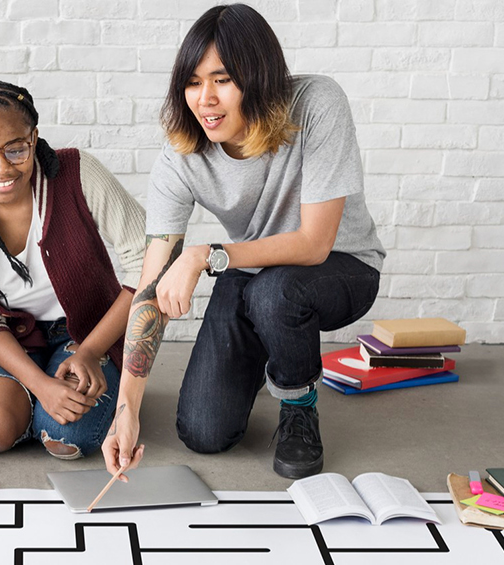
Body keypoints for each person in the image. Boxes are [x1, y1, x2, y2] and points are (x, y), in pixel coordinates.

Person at [101, 4, 385, 480]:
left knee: (277, 294)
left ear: (260, 77)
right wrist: (127, 408)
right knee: (204, 433)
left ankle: (299, 402)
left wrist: (205, 256)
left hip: (342, 267)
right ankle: (267, 353)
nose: (204, 99)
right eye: (193, 82)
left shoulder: (317, 104)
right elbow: (151, 284)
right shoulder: (180, 157)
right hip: (251, 272)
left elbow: (315, 244)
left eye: (222, 79)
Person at [0, 81, 147, 460]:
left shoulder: (77, 173)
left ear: (34, 138)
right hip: (3, 337)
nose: (2, 168)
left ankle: (49, 400)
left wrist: (92, 351)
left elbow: (148, 259)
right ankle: (27, 398)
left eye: (16, 149)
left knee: (67, 435)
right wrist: (41, 385)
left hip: (83, 330)